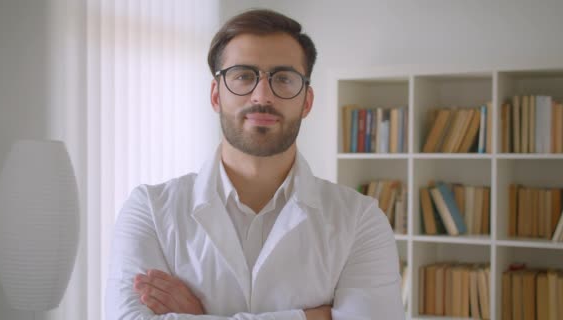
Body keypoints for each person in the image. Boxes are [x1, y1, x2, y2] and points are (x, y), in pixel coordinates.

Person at [105, 9, 404, 320]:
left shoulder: (361, 220)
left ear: (307, 101)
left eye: (284, 79)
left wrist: (201, 314)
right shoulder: (150, 211)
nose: (262, 96)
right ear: (216, 96)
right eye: (243, 76)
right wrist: (314, 316)